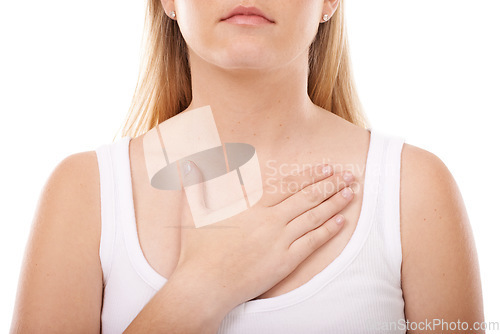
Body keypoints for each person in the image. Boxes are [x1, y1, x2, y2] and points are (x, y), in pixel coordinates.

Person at [10, 0, 484, 333]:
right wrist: (199, 291)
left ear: (329, 0)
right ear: (168, 1)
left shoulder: (414, 189)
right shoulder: (84, 192)